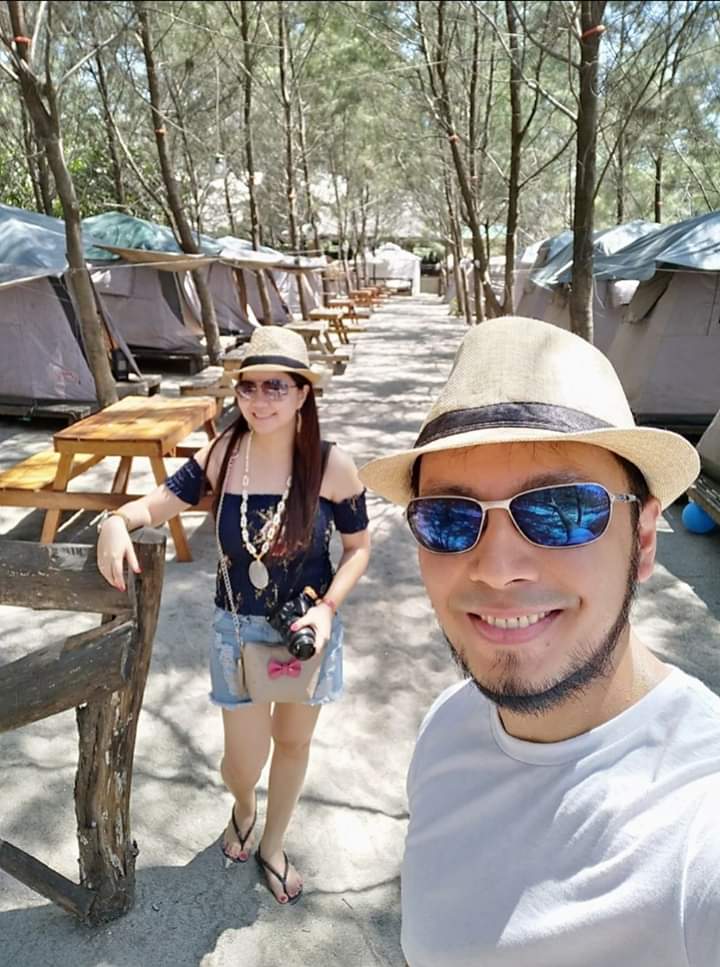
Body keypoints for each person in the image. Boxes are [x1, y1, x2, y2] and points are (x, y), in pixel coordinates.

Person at [360, 316, 720, 966]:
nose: (498, 569)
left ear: (643, 540)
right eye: (448, 518)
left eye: (561, 510)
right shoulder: (448, 724)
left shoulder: (698, 825)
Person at [97, 326, 370, 906]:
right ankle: (244, 807)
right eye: (249, 387)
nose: (259, 400)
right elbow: (160, 501)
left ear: (302, 393)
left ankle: (274, 843)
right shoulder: (225, 454)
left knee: (293, 744)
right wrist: (117, 521)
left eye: (276, 387)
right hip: (237, 630)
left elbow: (358, 547)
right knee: (242, 763)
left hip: (306, 630)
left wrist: (327, 610)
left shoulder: (332, 465)